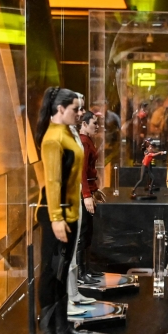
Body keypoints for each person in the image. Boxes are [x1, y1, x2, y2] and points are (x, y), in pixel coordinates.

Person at [35, 87, 99, 334]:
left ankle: (62, 327)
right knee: (52, 274)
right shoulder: (53, 139)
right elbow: (52, 182)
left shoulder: (67, 134)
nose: (80, 113)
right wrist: (57, 218)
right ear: (60, 110)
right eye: (76, 109)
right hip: (56, 214)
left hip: (69, 212)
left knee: (62, 273)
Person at [77, 111, 102, 284]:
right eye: (94, 123)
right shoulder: (84, 142)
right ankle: (81, 271)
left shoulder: (87, 141)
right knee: (84, 232)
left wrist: (93, 190)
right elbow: (81, 171)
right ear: (84, 124)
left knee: (88, 232)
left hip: (89, 190)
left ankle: (86, 269)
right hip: (83, 193)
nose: (97, 126)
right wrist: (86, 194)